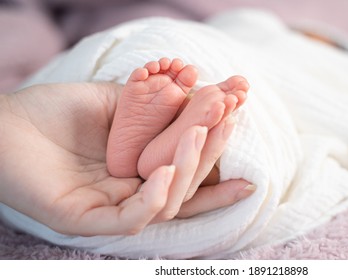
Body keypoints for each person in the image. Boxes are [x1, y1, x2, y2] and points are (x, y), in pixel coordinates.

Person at [0, 58, 254, 237]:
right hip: (32, 183)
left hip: (19, 200)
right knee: (230, 151)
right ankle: (173, 143)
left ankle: (167, 138)